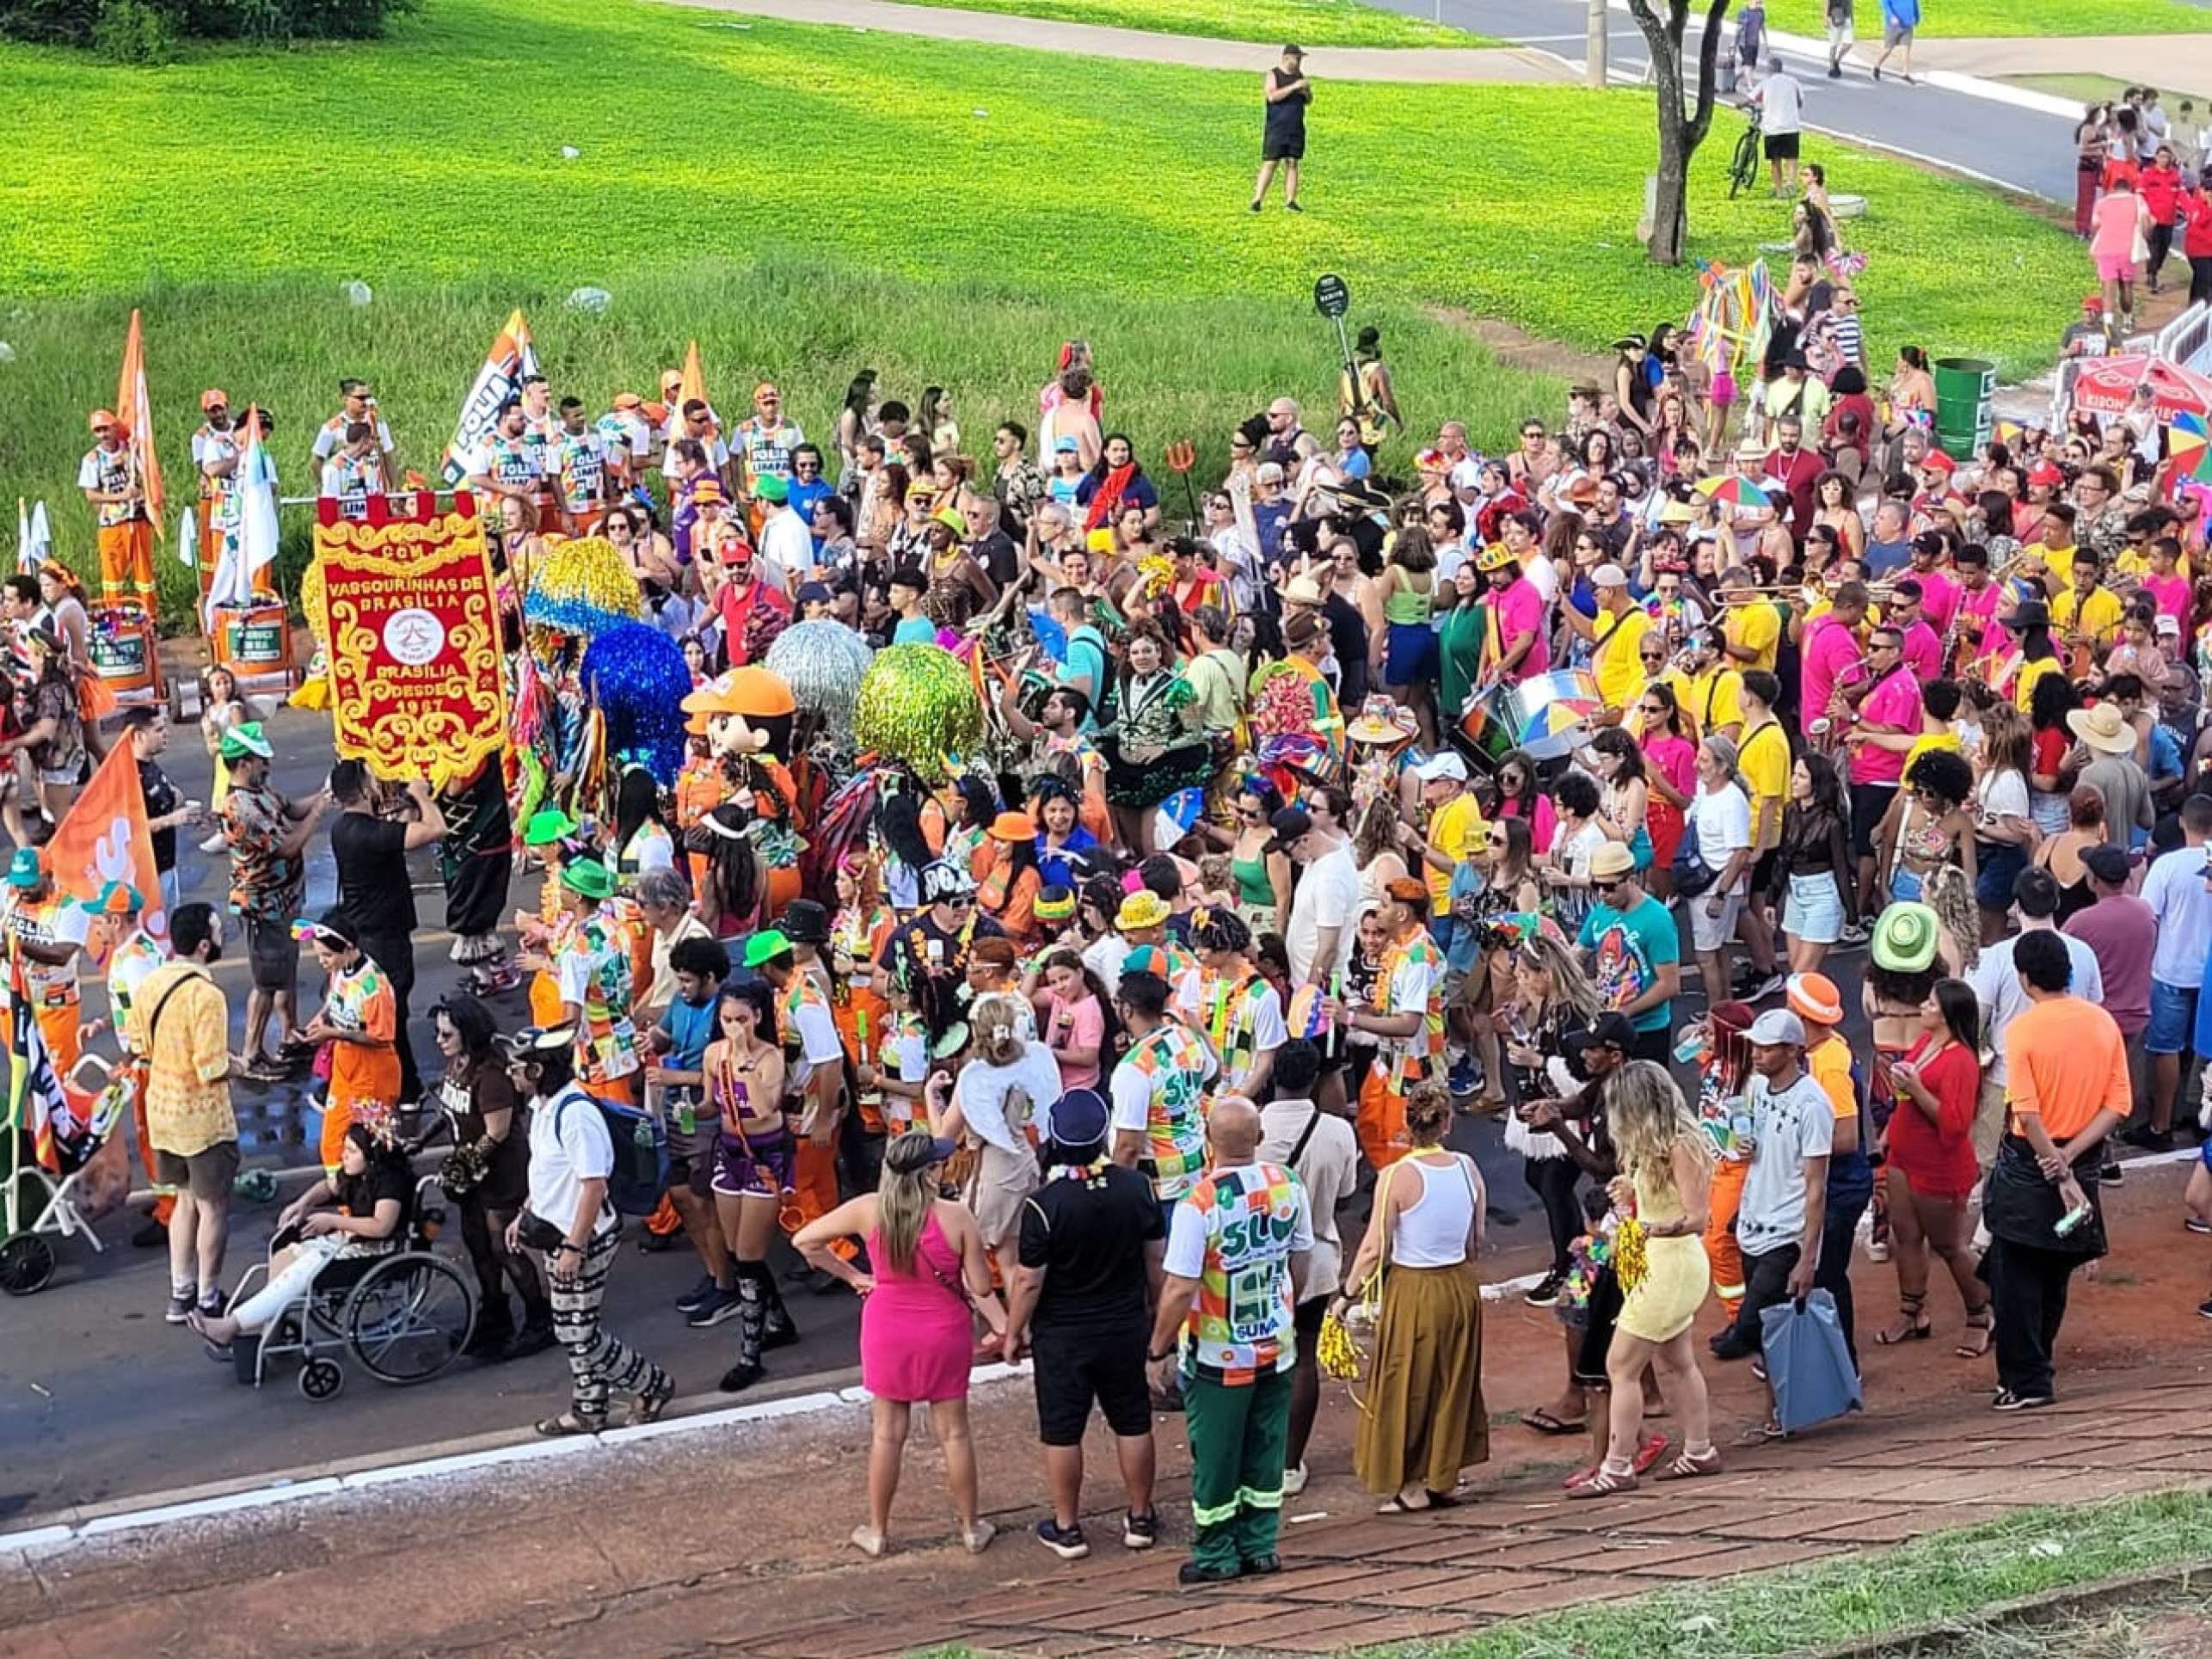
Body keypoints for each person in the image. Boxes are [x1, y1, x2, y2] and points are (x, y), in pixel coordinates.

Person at [797, 1130, 1008, 1558]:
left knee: (887, 1434)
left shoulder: (868, 1210)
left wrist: (855, 1276)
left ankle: (876, 1531)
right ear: (929, 1174)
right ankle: (970, 1527)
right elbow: (982, 1284)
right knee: (953, 1433)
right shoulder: (956, 1216)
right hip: (944, 1330)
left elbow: (805, 1241)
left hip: (887, 1327)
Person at [1146, 1096, 1312, 1586]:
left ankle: (1217, 1552)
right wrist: (1282, 1309)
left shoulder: (1200, 1202)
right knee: (1265, 1449)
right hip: (1275, 1345)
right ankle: (1260, 1546)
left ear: (1207, 1140)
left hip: (1219, 1355)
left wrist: (1158, 1346)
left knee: (1217, 1456)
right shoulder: (1289, 1186)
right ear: (1259, 1138)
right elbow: (1299, 1261)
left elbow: (1179, 1288)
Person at [1004, 1088, 1164, 1560]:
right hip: (1124, 1326)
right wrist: (1157, 1316)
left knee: (1061, 1429)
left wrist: (1014, 1331)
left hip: (1064, 1336)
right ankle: (1140, 1517)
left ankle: (1068, 1527)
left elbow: (1030, 1282)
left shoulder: (1043, 1206)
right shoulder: (1137, 1188)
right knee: (1133, 1420)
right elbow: (1155, 1259)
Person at [1982, 930, 2128, 1410]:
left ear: (2025, 980)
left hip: (2032, 1167)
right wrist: (2070, 1161)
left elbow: (2026, 1110)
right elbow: (2117, 1105)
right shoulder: (2102, 1023)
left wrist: (2055, 1166)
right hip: (2078, 1166)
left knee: (2015, 1273)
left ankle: (2027, 1381)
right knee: (2053, 1272)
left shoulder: (2022, 1031)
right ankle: (2035, 1368)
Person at [507, 1023, 674, 1436]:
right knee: (573, 1328)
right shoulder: (545, 1108)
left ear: (538, 1072)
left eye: (517, 1066)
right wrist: (525, 1212)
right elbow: (549, 1174)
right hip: (557, 1235)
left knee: (577, 1330)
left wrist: (574, 1246)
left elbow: (593, 1184)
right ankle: (589, 1408)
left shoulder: (576, 1115)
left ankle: (651, 1384)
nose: (511, 1072)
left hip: (583, 1239)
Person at [1569, 1061, 1719, 1496]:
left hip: (1671, 1265)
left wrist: (1654, 1227)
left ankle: (1617, 1466)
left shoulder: (1680, 1146)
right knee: (1677, 1361)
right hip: (1661, 1263)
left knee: (1621, 1365)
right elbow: (1661, 1201)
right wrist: (1633, 1194)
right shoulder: (1658, 1147)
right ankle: (1699, 1450)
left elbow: (1696, 1218)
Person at [1336, 1082, 1488, 1512]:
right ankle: (1444, 1474)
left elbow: (1372, 1248)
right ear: (1447, 1122)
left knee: (1408, 1385)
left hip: (1414, 1288)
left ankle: (1412, 1484)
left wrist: (1346, 1296)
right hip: (1459, 1286)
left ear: (1408, 1126)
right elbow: (1475, 1240)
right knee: (1452, 1382)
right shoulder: (1468, 1168)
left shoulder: (1395, 1176)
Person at [1709, 1010, 1833, 1448]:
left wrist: (1807, 1256)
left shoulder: (1813, 1105)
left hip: (1785, 1232)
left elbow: (1817, 1187)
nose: (1757, 1055)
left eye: (1766, 1048)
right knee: (1770, 1335)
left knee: (1754, 1325)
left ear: (1793, 1050)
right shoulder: (1757, 1088)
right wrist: (1740, 1143)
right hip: (1752, 1223)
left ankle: (1778, 1404)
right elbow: (1748, 1143)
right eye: (1756, 1047)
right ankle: (1777, 1415)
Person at [187, 1122, 414, 1358]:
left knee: (303, 1268)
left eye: (352, 1151)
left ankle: (231, 1326)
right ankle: (270, 1336)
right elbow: (328, 1186)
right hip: (349, 1241)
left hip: (375, 1250)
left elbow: (382, 1226)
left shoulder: (390, 1182)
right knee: (283, 1256)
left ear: (372, 1156)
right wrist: (302, 1203)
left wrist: (334, 1221)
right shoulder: (357, 1172)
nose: (344, 1155)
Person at [1257, 1040, 1358, 1496]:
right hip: (1316, 1260)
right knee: (1302, 1357)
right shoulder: (1337, 1131)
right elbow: (1346, 1197)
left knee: (1253, 1359)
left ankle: (1254, 1456)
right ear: (1316, 1080)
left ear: (1273, 1075)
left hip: (1256, 1264)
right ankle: (1290, 1464)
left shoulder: (1248, 1127)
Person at [137, 903, 246, 1324]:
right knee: (213, 1208)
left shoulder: (151, 983)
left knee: (183, 1202)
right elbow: (211, 1066)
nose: (221, 938)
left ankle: (179, 1294)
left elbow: (138, 1044)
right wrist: (239, 1065)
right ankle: (208, 1295)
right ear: (204, 945)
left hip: (162, 1112)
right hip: (202, 1121)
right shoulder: (207, 995)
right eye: (218, 932)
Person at [432, 993, 551, 1361]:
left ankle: (539, 1318)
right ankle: (494, 1312)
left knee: (503, 1245)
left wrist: (467, 1164)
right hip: (472, 1173)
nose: (439, 1041)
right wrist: (419, 1142)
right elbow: (451, 1112)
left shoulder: (492, 1075)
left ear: (468, 1034)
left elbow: (496, 1132)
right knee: (478, 1244)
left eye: (446, 1035)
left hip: (501, 1173)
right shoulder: (457, 1066)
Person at [1873, 978, 1989, 1356]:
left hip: (1939, 1165)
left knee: (1949, 1245)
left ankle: (1980, 1314)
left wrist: (1918, 1089)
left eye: (1932, 1005)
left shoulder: (1962, 1061)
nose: (1923, 1007)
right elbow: (1907, 1098)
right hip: (1904, 1156)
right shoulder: (1926, 1042)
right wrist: (1891, 1130)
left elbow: (1955, 1125)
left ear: (1949, 1016)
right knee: (1903, 1236)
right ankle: (1912, 1311)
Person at [328, 761, 444, 1108]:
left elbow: (396, 835)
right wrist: (422, 795)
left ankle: (404, 1085)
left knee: (386, 1013)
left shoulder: (343, 830)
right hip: (385, 938)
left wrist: (407, 807)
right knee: (391, 1016)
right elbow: (436, 828)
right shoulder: (369, 834)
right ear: (365, 790)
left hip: (368, 933)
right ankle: (402, 1089)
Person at [218, 721, 328, 1081]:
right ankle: (251, 1054)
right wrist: (319, 814)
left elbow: (291, 808)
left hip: (284, 902)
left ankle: (288, 1033)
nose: (267, 766)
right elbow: (287, 845)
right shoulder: (241, 808)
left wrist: (325, 794)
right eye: (261, 761)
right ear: (245, 764)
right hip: (262, 907)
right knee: (266, 983)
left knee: (284, 975)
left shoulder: (261, 794)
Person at [2136, 795, 2212, 1149]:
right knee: (2207, 1048)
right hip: (2206, 971)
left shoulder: (2167, 866)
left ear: (2183, 823)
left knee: (2165, 1048)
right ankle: (2203, 1118)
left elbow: (2148, 916)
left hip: (2172, 970)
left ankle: (2161, 1125)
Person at [1110, 969, 1220, 1208]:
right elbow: (1212, 1074)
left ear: (1127, 1009)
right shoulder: (1186, 1037)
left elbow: (1129, 1147)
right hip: (1197, 1170)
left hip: (1160, 1187)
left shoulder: (1134, 1068)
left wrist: (1116, 1198)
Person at [1577, 843, 1683, 1061]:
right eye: (1595, 885)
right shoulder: (1602, 910)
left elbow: (1669, 984)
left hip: (1646, 1031)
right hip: (1607, 1025)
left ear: (1632, 880)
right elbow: (1578, 951)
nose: (1601, 895)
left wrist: (1625, 1011)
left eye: (1608, 887)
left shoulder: (1657, 919)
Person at [1687, 734, 1754, 1010]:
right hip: (1708, 884)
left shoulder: (1732, 801)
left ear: (1722, 767)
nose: (1696, 764)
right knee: (1718, 949)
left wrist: (1720, 894)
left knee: (1706, 955)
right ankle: (1725, 1009)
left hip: (1715, 888)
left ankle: (1715, 1015)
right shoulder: (1706, 792)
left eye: (1704, 760)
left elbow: (1740, 853)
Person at [1251, 45, 1311, 212]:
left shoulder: (1300, 77)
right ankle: (1257, 200)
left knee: (1292, 162)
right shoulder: (1274, 75)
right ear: (1286, 58)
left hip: (1296, 127)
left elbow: (1308, 100)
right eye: (1297, 58)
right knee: (1271, 162)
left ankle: (1291, 200)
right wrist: (1294, 87)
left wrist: (1306, 91)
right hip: (1277, 127)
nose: (1299, 62)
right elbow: (1272, 96)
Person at [1751, 58, 1804, 197]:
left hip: (1772, 128)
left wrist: (1741, 105)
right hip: (1791, 125)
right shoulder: (1793, 82)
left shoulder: (1766, 83)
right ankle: (1791, 183)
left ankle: (1779, 190)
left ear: (1769, 69)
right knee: (1792, 157)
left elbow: (1752, 98)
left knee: (1775, 160)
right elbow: (1800, 102)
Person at [1871, 0, 1916, 83]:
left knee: (1906, 48)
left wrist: (1916, 17)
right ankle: (1877, 66)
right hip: (1893, 26)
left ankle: (1905, 73)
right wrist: (1892, 16)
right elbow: (1885, 4)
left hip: (1907, 25)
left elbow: (1915, 4)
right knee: (1888, 49)